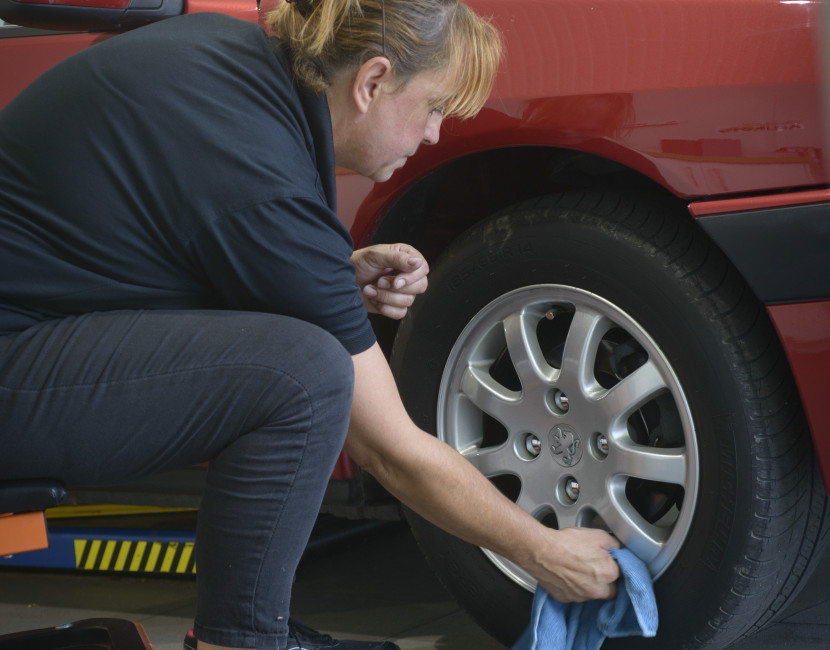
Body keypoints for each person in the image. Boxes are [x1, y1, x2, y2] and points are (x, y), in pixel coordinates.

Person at [0, 0, 621, 648]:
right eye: (434, 106)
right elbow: (389, 450)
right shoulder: (258, 176)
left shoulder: (232, 66)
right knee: (305, 376)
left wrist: (329, 273)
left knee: (301, 362)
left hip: (31, 332)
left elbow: (149, 242)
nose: (434, 134)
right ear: (373, 81)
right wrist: (544, 551)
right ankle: (240, 642)